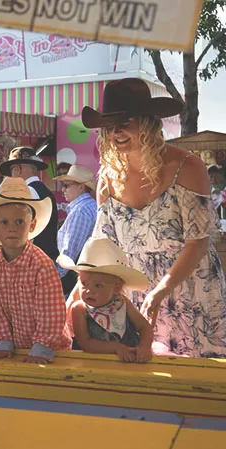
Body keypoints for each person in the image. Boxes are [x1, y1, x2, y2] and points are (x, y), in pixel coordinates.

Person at [82, 77, 226, 357]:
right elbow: (102, 251)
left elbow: (197, 243)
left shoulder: (187, 166)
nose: (117, 132)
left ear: (149, 122)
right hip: (137, 298)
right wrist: (78, 297)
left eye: (126, 121)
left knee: (203, 385)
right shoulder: (107, 180)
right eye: (110, 125)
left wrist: (160, 291)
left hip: (192, 291)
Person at [0, 177, 71, 363]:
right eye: (4, 222)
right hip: (15, 350)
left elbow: (51, 312)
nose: (12, 229)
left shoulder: (42, 264)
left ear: (31, 225)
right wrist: (3, 342)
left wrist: (41, 347)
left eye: (19, 222)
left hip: (51, 351)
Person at [58, 238, 153, 363]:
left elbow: (144, 327)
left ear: (116, 288)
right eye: (84, 283)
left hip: (131, 360)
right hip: (96, 364)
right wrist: (116, 347)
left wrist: (144, 346)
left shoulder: (122, 302)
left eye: (98, 285)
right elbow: (85, 343)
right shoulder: (80, 309)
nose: (88, 291)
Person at [0, 147, 59, 262]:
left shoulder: (27, 191)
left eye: (12, 170)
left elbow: (25, 230)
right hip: (46, 255)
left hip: (34, 259)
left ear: (17, 169)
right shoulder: (43, 190)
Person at [53, 165, 97, 296]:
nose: (62, 190)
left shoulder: (80, 210)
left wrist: (54, 277)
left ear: (81, 187)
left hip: (75, 276)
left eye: (66, 185)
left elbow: (69, 252)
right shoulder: (88, 206)